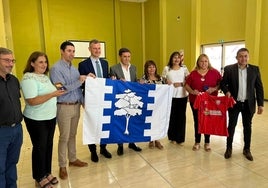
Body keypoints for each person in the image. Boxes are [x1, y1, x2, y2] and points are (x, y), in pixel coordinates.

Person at [21, 51, 65, 187]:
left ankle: (47, 172)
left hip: (50, 117)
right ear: (32, 63)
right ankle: (39, 176)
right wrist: (53, 94)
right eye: (40, 62)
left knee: (48, 146)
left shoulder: (45, 77)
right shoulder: (28, 78)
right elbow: (32, 101)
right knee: (40, 147)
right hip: (36, 119)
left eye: (45, 62)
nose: (44, 65)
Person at [50, 41, 88, 180]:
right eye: (69, 51)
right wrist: (80, 81)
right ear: (62, 51)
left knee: (72, 135)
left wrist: (83, 103)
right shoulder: (55, 68)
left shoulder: (74, 68)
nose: (72, 54)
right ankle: (62, 165)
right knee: (64, 137)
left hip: (76, 105)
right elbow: (60, 90)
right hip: (63, 106)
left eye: (73, 51)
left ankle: (73, 159)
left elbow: (77, 89)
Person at [220, 48, 264, 161]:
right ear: (236, 57)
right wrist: (227, 91)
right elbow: (223, 83)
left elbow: (259, 87)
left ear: (248, 57)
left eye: (245, 56)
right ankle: (228, 148)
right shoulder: (229, 69)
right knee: (231, 126)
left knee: (247, 126)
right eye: (240, 56)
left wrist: (260, 104)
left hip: (249, 104)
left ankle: (247, 149)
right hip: (235, 103)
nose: (243, 58)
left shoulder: (255, 69)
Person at [78, 39, 112, 163]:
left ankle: (103, 148)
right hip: (91, 100)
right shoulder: (83, 65)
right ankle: (93, 151)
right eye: (94, 48)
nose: (97, 51)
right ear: (89, 49)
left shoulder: (105, 63)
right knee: (92, 124)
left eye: (99, 48)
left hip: (104, 98)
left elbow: (106, 79)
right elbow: (81, 84)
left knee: (104, 124)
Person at [185, 54, 221, 151]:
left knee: (207, 120)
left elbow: (220, 84)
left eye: (206, 61)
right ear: (198, 62)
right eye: (201, 61)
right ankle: (197, 142)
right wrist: (192, 91)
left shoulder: (215, 72)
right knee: (197, 120)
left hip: (210, 101)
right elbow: (186, 85)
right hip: (195, 101)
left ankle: (207, 142)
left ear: (208, 62)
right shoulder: (193, 74)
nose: (204, 63)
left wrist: (214, 88)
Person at [110, 47, 142, 156]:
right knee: (120, 121)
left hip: (131, 98)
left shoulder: (134, 68)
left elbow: (134, 81)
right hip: (121, 98)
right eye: (124, 56)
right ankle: (120, 145)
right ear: (120, 57)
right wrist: (118, 81)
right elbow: (112, 83)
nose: (127, 59)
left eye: (128, 56)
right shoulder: (114, 68)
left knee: (131, 121)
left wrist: (139, 81)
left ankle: (132, 142)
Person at [0, 47, 23, 188]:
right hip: (1, 131)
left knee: (12, 163)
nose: (10, 64)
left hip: (17, 130)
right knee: (0, 168)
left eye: (12, 60)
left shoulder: (14, 80)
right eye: (6, 60)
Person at [162, 51, 189, 145]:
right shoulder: (167, 68)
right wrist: (166, 80)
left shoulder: (184, 68)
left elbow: (189, 80)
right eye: (174, 57)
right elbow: (162, 79)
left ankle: (180, 138)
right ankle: (172, 137)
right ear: (171, 58)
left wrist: (181, 84)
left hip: (182, 95)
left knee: (181, 117)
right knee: (172, 117)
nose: (176, 59)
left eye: (178, 57)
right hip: (170, 96)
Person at [141, 60, 166, 149]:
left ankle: (157, 140)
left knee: (158, 122)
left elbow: (166, 89)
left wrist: (170, 83)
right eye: (149, 67)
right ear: (146, 69)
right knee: (150, 122)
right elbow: (141, 90)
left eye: (153, 67)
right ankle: (151, 140)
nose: (152, 69)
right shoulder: (144, 79)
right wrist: (140, 84)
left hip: (159, 105)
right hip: (149, 105)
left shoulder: (161, 78)